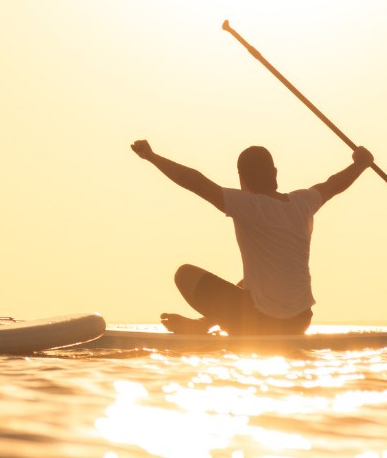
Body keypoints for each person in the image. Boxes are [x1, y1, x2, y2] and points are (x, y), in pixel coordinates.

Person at [131, 139, 373, 335]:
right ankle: (202, 325)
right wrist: (361, 164)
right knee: (249, 281)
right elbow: (334, 184)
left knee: (184, 273)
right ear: (275, 173)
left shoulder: (246, 204)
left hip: (260, 322)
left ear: (241, 178)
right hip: (300, 321)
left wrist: (153, 157)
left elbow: (195, 181)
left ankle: (216, 326)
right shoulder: (303, 202)